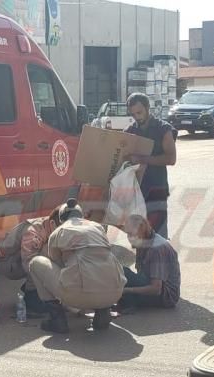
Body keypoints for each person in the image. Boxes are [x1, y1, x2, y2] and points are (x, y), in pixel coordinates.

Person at [28, 199, 127, 333]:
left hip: (79, 296)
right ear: (81, 216)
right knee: (101, 265)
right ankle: (103, 310)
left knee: (36, 262)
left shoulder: (59, 232)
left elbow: (56, 263)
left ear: (61, 219)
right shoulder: (98, 227)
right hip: (115, 293)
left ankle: (57, 319)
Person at [123, 93, 177, 239]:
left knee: (159, 237)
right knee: (139, 239)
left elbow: (171, 159)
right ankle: (142, 262)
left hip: (157, 190)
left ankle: (162, 262)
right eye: (133, 114)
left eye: (139, 112)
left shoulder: (163, 129)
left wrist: (142, 159)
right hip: (137, 192)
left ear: (148, 108)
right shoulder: (130, 132)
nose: (137, 117)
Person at [117, 215, 181, 313]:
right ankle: (128, 300)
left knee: (123, 273)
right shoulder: (143, 239)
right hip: (151, 285)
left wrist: (127, 290)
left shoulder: (156, 249)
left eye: (132, 234)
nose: (130, 238)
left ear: (141, 232)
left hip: (165, 297)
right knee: (118, 271)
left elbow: (156, 289)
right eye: (128, 234)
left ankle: (129, 303)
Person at [19, 205, 63, 316]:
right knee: (46, 252)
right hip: (11, 263)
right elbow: (29, 264)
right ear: (53, 224)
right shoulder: (34, 231)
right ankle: (31, 293)